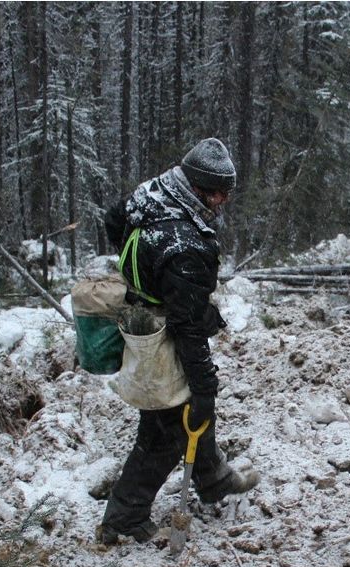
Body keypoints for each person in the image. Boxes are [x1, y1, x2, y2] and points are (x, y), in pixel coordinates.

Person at [98, 138, 259, 545]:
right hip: (161, 331)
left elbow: (114, 220)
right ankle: (124, 516)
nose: (224, 200)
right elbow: (189, 330)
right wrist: (206, 386)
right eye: (219, 192)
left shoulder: (154, 193)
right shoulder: (185, 244)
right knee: (168, 425)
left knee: (187, 408)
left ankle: (212, 477)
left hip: (146, 311)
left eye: (229, 192)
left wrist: (149, 276)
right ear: (199, 187)